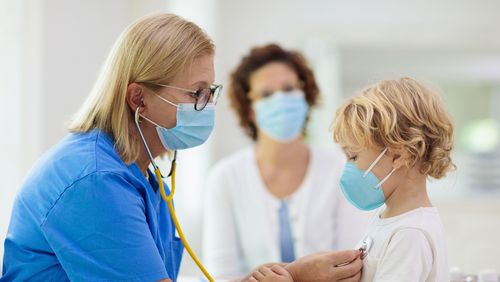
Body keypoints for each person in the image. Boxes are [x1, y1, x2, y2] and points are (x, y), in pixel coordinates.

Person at [1, 14, 362, 282]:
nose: (206, 105)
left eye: (210, 92)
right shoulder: (94, 182)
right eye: (196, 93)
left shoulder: (139, 175)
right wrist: (296, 276)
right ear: (139, 98)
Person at [202, 44, 369, 279]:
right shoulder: (226, 177)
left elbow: (355, 265)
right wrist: (302, 275)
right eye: (267, 94)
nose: (281, 99)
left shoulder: (340, 168)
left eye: (289, 88)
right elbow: (219, 276)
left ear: (305, 94)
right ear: (249, 109)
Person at [331, 77, 452, 281]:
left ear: (398, 156)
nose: (347, 168)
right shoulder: (389, 218)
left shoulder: (410, 233)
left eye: (353, 156)